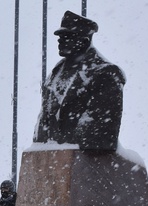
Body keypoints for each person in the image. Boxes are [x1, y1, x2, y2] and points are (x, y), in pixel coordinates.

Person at [33, 10, 125, 151]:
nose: (60, 40)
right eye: (60, 35)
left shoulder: (104, 73)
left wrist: (65, 146)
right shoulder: (56, 72)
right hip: (51, 162)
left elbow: (102, 135)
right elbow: (44, 123)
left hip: (85, 164)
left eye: (67, 36)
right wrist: (42, 148)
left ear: (84, 40)